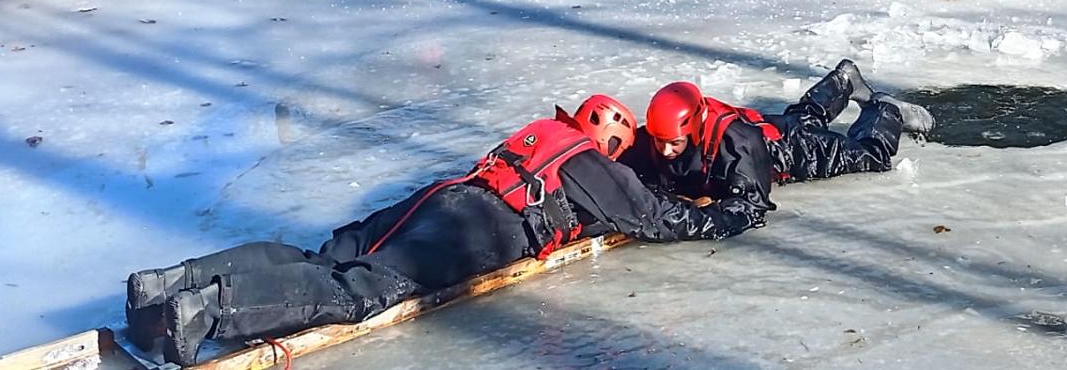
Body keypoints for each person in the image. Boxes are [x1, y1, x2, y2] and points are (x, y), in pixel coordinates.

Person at [128, 97, 755, 367]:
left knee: (325, 258)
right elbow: (656, 219)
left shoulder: (542, 135)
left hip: (444, 197)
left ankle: (172, 282)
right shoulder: (590, 162)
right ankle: (206, 312)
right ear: (611, 141)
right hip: (479, 227)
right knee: (362, 292)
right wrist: (727, 216)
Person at [625, 60, 933, 224]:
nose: (664, 150)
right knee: (802, 118)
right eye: (659, 141)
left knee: (872, 156)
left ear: (693, 127)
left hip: (795, 152)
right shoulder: (655, 136)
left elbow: (750, 207)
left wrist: (691, 216)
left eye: (674, 143)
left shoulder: (736, 144)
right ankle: (842, 81)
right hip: (772, 128)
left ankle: (885, 109)